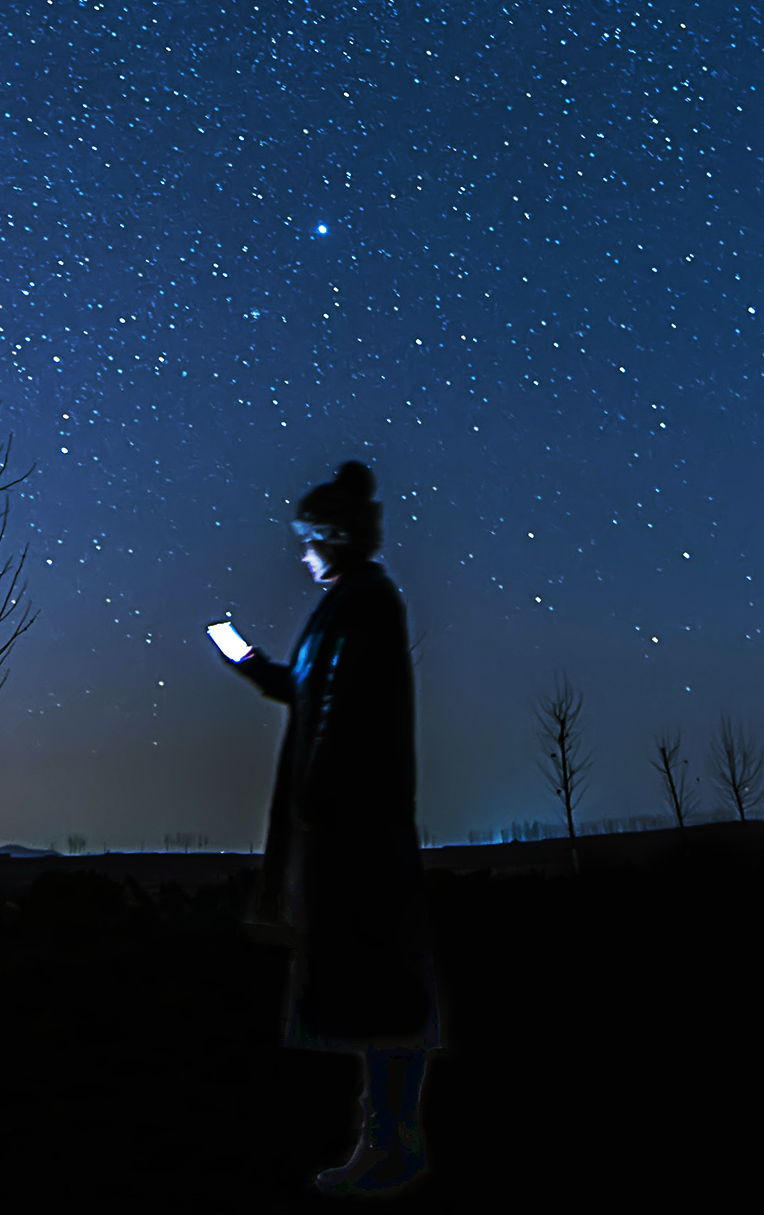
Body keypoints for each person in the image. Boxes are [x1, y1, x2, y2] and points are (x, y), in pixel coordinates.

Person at [218, 459, 442, 1199]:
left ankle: (390, 1144)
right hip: (353, 825)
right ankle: (384, 1137)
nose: (303, 554)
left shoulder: (366, 602)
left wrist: (317, 803)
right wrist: (247, 660)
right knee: (372, 986)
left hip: (356, 828)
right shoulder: (352, 601)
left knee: (378, 985)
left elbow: (345, 709)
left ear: (335, 537)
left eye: (309, 541)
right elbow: (314, 690)